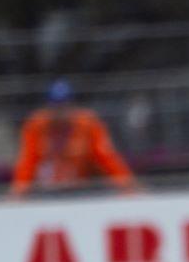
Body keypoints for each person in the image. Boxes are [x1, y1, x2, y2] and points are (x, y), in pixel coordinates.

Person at [9, 79, 137, 196]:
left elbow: (106, 157)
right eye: (56, 106)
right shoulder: (36, 125)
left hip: (81, 188)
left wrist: (126, 185)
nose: (60, 111)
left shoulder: (87, 124)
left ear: (72, 105)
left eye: (64, 105)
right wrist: (19, 191)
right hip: (46, 190)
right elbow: (28, 159)